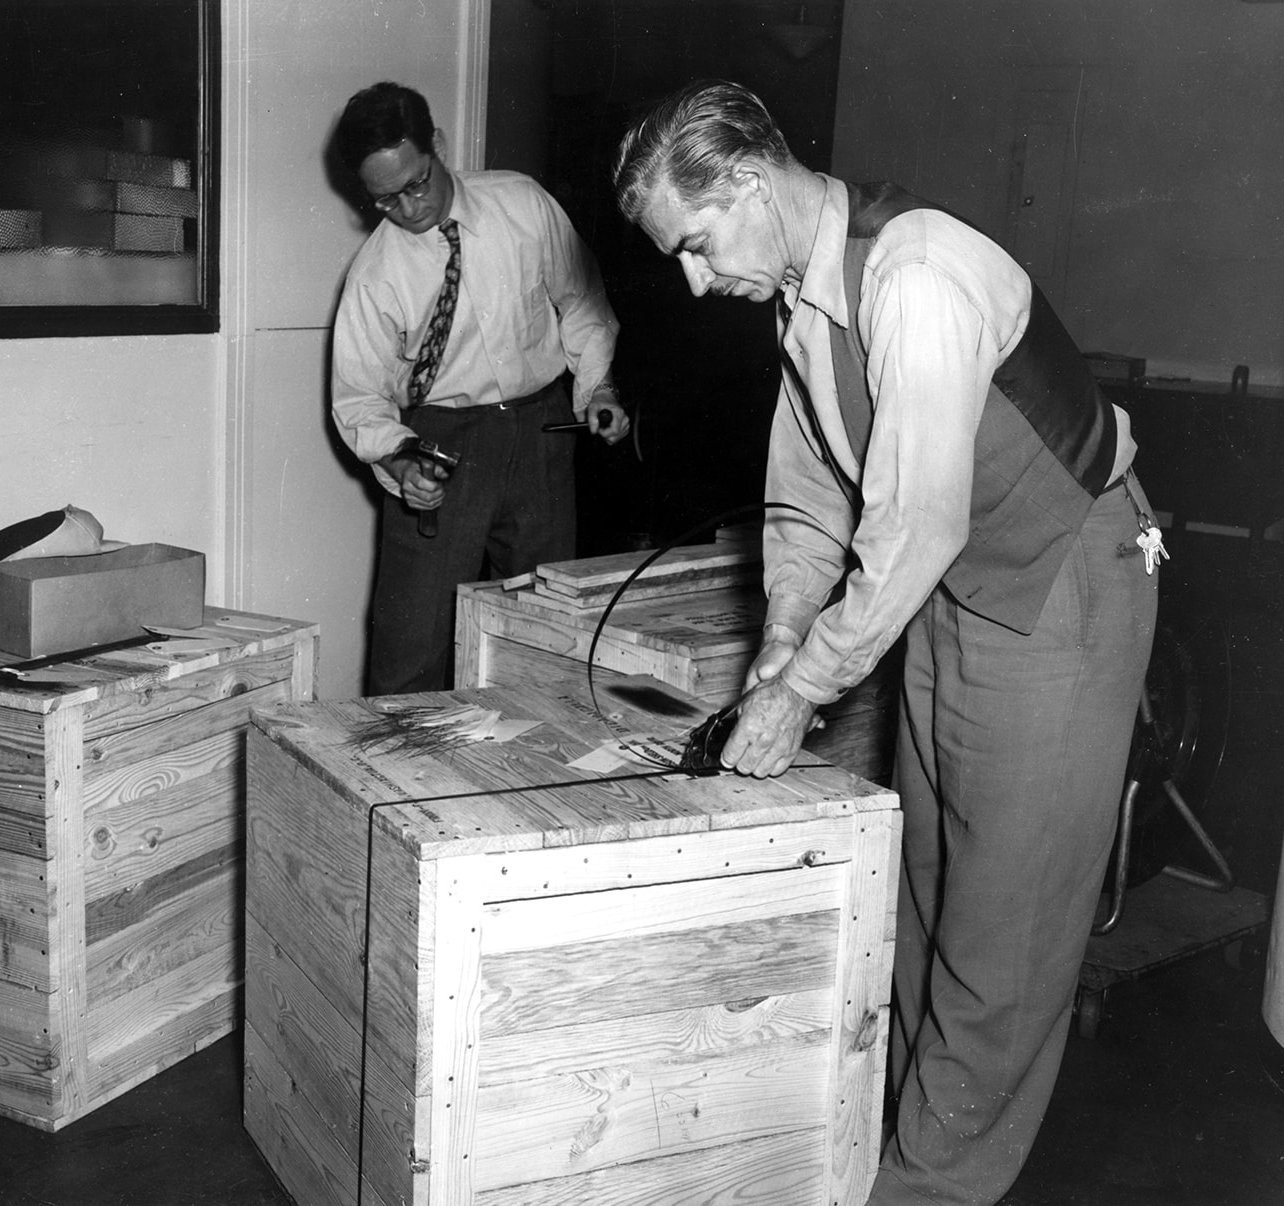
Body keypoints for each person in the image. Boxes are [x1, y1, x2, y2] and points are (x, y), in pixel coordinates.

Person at [612, 80, 1159, 1205]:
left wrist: (803, 690)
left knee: (1003, 929)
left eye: (697, 245)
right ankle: (891, 1144)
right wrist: (781, 641)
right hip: (950, 583)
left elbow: (913, 523)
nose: (694, 281)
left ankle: (928, 1190)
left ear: (750, 182)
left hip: (1065, 571)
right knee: (927, 884)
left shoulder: (914, 273)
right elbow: (811, 497)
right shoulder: (800, 298)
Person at [330, 82, 628, 694]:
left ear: (437, 146)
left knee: (545, 631)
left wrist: (598, 388)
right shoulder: (373, 275)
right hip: (438, 446)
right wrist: (400, 459)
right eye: (384, 200)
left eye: (416, 183)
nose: (408, 209)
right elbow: (359, 398)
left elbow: (582, 301)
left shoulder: (522, 204)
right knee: (412, 644)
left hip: (540, 434)